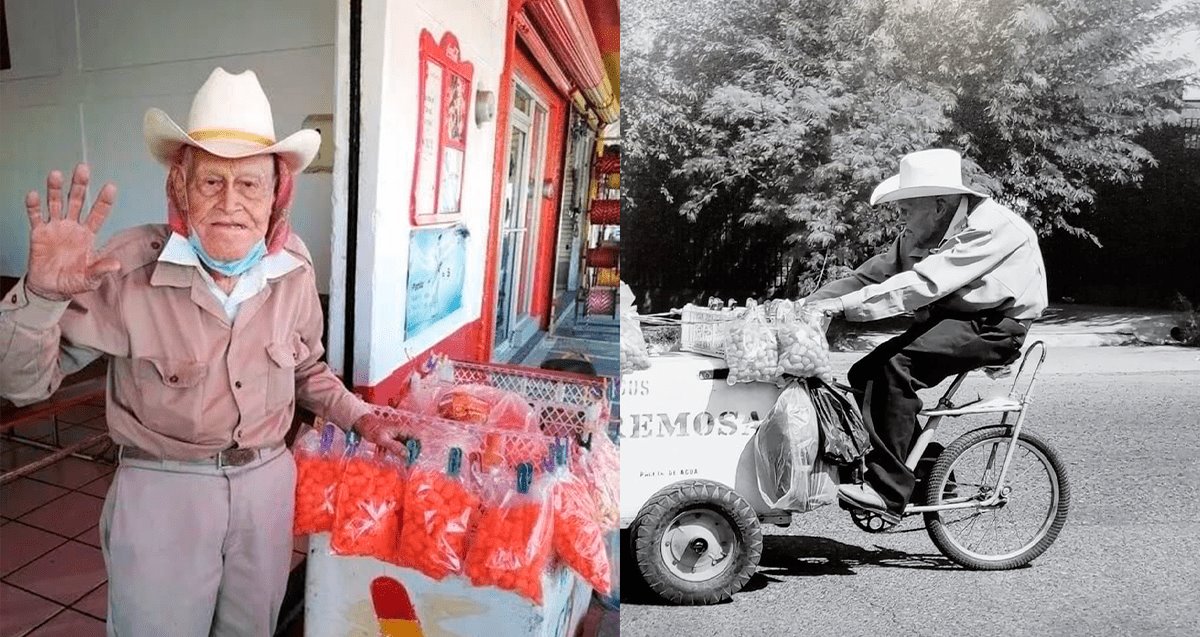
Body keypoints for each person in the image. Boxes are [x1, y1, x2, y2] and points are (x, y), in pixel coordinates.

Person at [0, 68, 410, 636]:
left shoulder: (293, 269)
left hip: (268, 485)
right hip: (163, 491)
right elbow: (23, 386)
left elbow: (307, 368)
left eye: (249, 185)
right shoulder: (126, 271)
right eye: (210, 182)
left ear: (276, 195)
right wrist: (41, 297)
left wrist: (358, 416)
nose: (230, 203)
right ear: (180, 189)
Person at [805, 148, 1048, 523]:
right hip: (952, 320)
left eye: (906, 208)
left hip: (995, 326)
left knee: (894, 367)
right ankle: (930, 473)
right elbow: (869, 277)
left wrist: (842, 309)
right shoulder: (923, 231)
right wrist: (808, 304)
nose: (901, 217)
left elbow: (924, 283)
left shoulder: (992, 228)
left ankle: (887, 492)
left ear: (939, 204)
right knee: (862, 374)